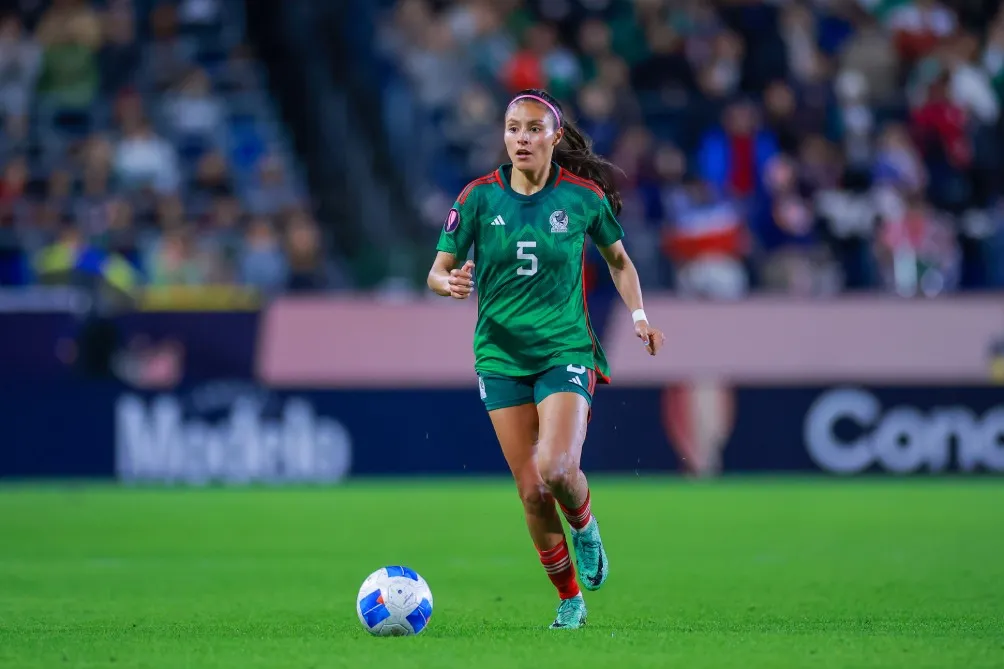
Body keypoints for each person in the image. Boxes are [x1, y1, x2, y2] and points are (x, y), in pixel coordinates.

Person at [427, 88, 665, 629]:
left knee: (556, 469)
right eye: (513, 128)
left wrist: (639, 317)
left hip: (564, 349)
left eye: (534, 129)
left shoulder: (582, 197)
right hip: (500, 356)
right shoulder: (478, 198)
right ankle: (569, 598)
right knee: (532, 491)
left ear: (555, 137)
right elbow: (437, 270)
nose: (521, 139)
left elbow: (620, 263)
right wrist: (451, 283)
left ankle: (585, 526)